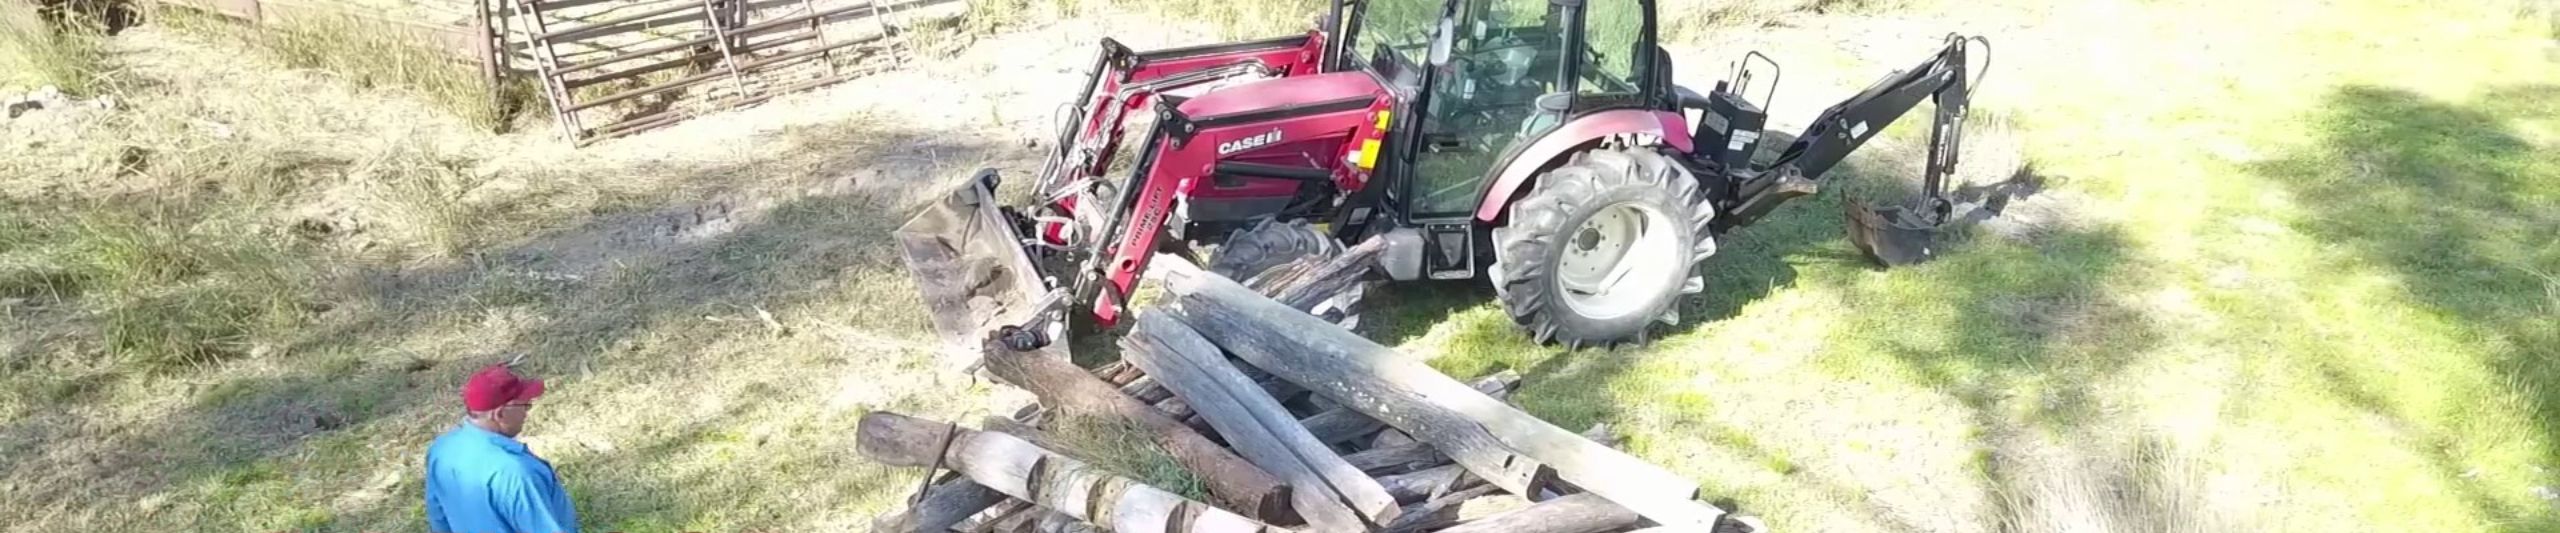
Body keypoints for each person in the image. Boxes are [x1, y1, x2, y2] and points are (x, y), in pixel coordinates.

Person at [424, 364, 579, 533]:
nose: (526, 413)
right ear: (500, 414)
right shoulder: (516, 472)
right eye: (525, 405)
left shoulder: (442, 449)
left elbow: (438, 517)